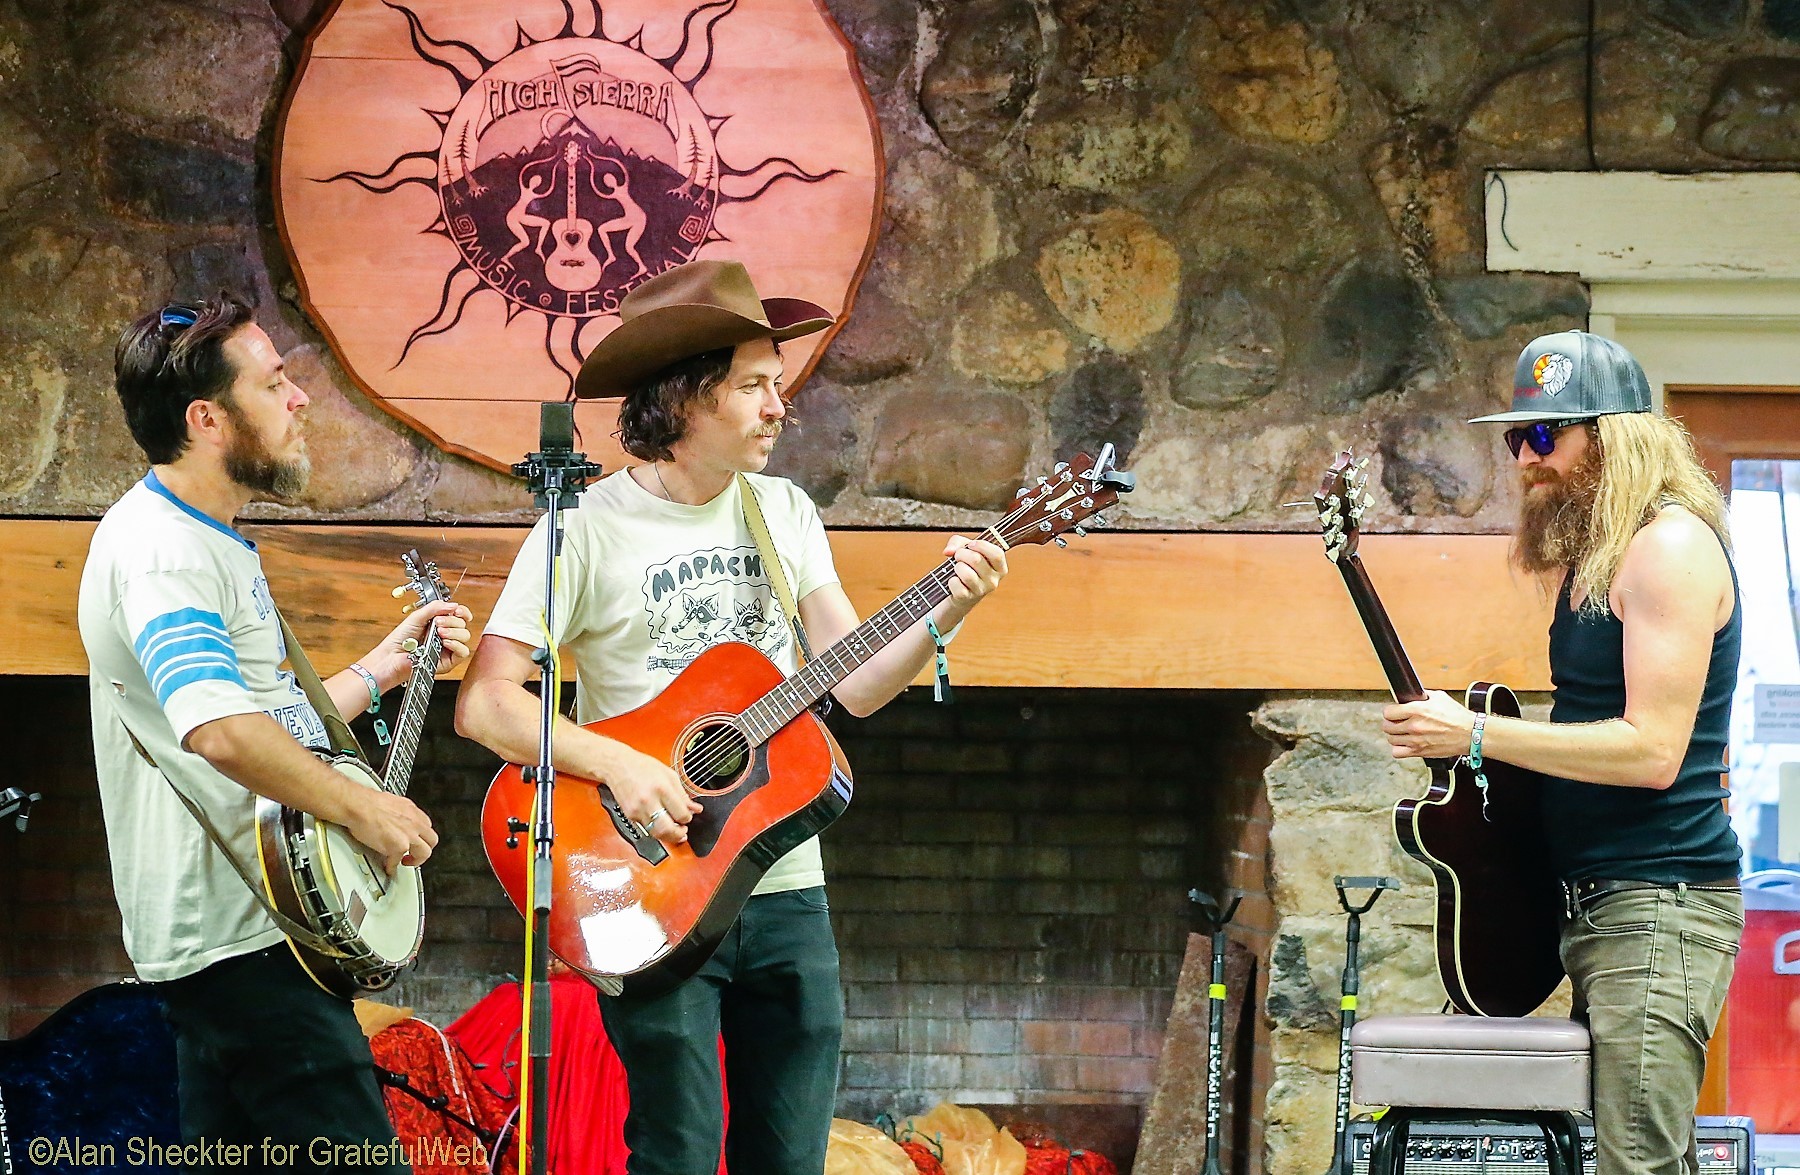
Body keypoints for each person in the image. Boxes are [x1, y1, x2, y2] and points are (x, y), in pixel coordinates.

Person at [455, 259, 1010, 1174]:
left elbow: (858, 685)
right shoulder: (583, 527)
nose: (777, 406)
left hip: (786, 884)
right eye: (753, 385)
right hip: (654, 883)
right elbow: (485, 702)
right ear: (685, 398)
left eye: (777, 384)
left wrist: (946, 611)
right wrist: (623, 765)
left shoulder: (783, 511)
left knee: (788, 1159)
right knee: (674, 1154)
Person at [78, 294, 473, 1166]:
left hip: (251, 931)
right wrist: (365, 812)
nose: (299, 400)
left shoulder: (200, 539)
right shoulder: (161, 550)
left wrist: (382, 670)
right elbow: (218, 729)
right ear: (208, 419)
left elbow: (255, 713)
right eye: (277, 381)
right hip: (245, 940)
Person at [1381, 331, 1742, 1175]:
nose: (1525, 459)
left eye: (1545, 437)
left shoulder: (1669, 548)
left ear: (1613, 437)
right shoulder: (1596, 559)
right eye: (1516, 438)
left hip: (1659, 903)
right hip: (1599, 907)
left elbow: (1652, 750)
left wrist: (1473, 731)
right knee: (1639, 1158)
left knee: (1633, 1165)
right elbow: (1583, 732)